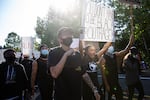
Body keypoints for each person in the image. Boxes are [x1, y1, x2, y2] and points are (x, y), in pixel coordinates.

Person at [48, 27, 100, 100]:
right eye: (66, 35)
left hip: (76, 96)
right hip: (61, 96)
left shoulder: (77, 54)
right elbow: (54, 74)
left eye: (70, 35)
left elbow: (84, 74)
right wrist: (66, 55)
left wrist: (94, 89)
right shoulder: (54, 52)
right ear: (59, 39)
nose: (69, 37)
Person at [100, 33, 134, 100]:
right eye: (109, 45)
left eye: (111, 45)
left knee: (119, 96)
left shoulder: (115, 55)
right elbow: (103, 74)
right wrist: (106, 85)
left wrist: (130, 42)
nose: (111, 47)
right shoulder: (103, 59)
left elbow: (125, 50)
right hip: (108, 84)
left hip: (115, 83)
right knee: (108, 97)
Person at [79, 36, 112, 100]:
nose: (93, 52)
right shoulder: (83, 58)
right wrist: (81, 37)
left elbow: (104, 48)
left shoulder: (95, 57)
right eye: (91, 50)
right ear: (86, 52)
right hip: (86, 87)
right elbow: (80, 48)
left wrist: (111, 38)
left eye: (94, 50)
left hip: (96, 85)